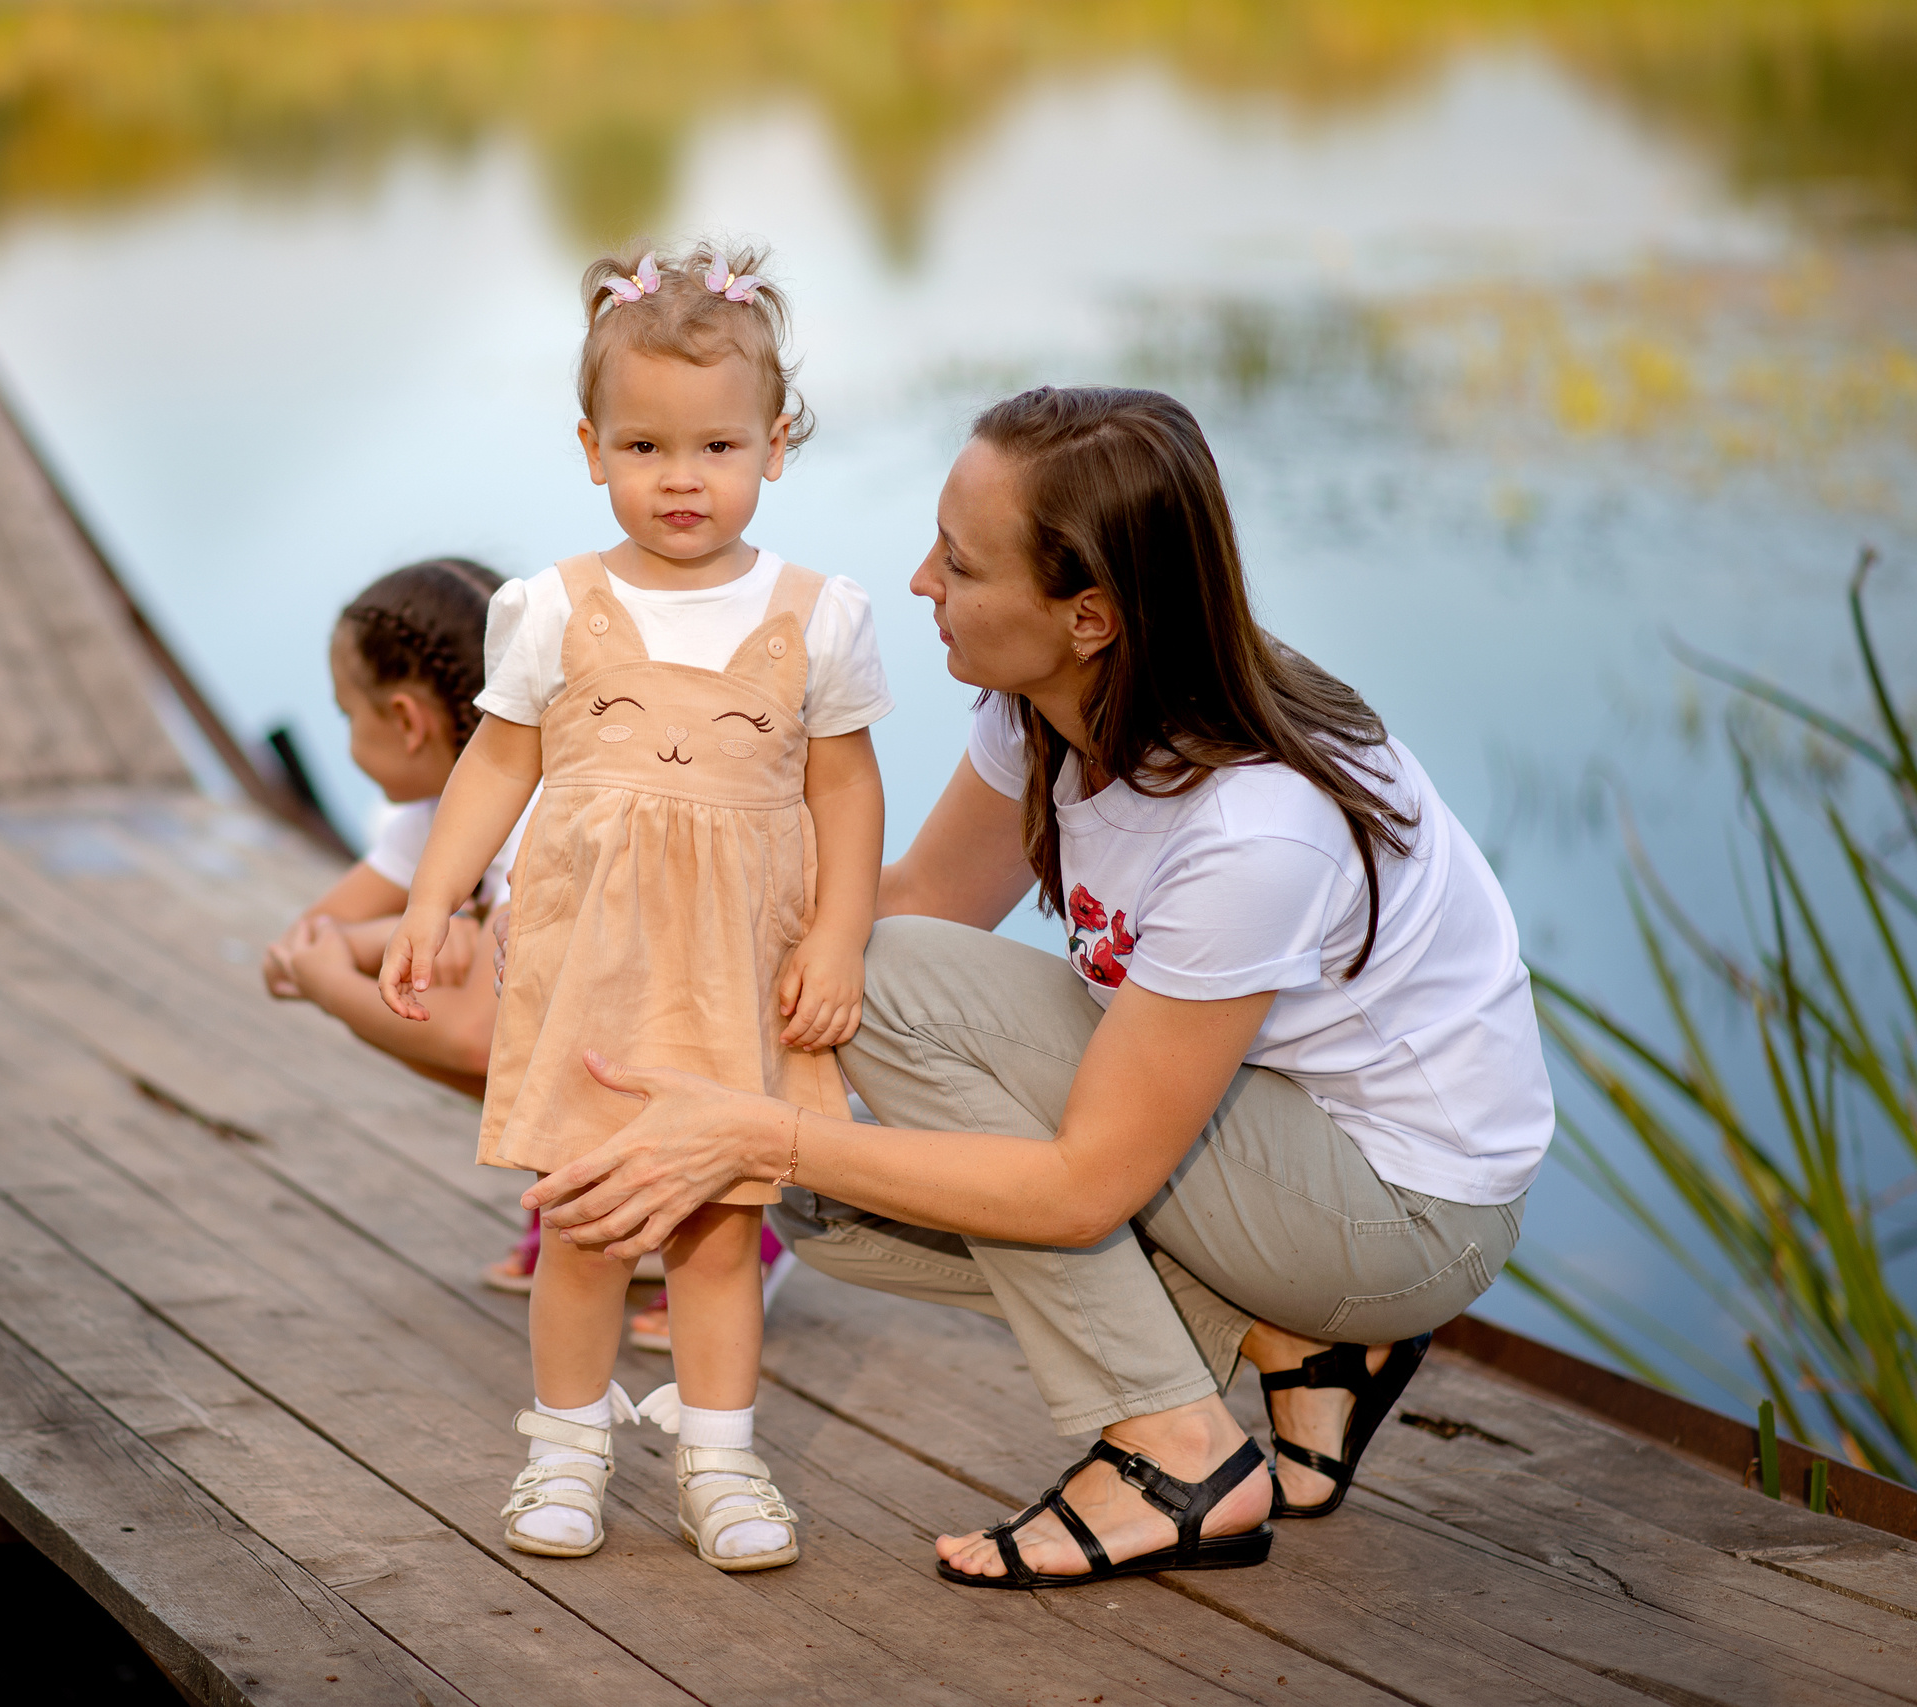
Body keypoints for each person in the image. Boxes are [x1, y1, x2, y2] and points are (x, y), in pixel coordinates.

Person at [515, 386, 1551, 1589]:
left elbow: (1074, 1188)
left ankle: (1176, 1451)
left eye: (957, 564)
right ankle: (1294, 1340)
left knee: (830, 1075)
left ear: (1090, 617)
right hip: (1269, 1151)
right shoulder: (1056, 704)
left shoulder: (1257, 826)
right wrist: (604, 955)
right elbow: (913, 905)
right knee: (817, 1193)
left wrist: (756, 1130)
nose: (917, 583)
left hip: (1400, 1220)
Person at [378, 243, 893, 1571]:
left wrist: (837, 935)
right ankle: (565, 1446)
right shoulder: (550, 606)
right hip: (593, 963)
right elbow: (499, 759)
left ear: (776, 445)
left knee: (723, 1230)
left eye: (717, 444)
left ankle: (719, 1460)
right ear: (591, 444)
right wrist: (437, 895)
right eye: (646, 444)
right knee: (589, 1218)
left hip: (738, 968)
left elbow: (845, 790)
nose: (682, 476)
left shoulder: (819, 614)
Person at [263, 558, 521, 1106]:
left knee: (422, 1011)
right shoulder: (431, 817)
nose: (347, 735)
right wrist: (401, 938)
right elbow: (286, 959)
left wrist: (334, 985)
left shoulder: (543, 817)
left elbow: (478, 1039)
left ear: (406, 721)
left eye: (346, 714)